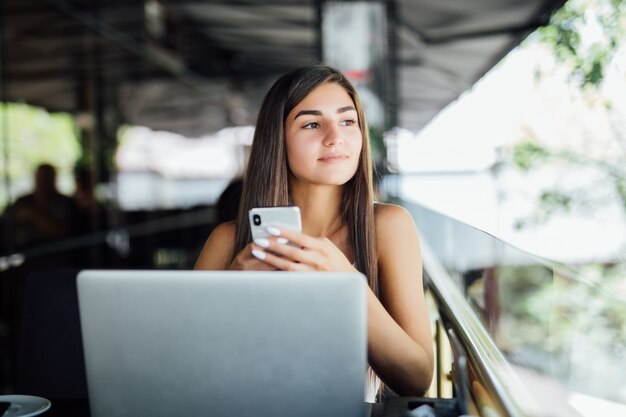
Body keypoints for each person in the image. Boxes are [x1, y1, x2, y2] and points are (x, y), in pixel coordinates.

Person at [194, 65, 433, 399]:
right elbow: (190, 371)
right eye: (311, 123)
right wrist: (233, 293)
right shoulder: (228, 240)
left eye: (348, 121)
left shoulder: (389, 227)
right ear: (277, 140)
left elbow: (416, 378)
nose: (335, 137)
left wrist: (348, 284)